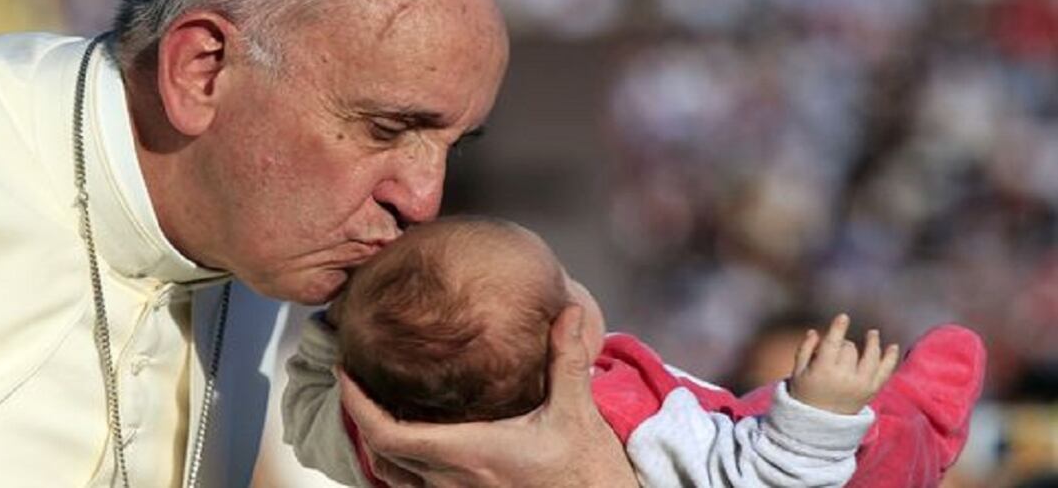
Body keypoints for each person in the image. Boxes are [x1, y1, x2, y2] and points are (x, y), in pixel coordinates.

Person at [0, 0, 635, 487]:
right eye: (386, 128)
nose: (423, 201)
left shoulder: (259, 231)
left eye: (450, 145)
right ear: (202, 70)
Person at [284, 216, 987, 488]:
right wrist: (818, 414)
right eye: (564, 279)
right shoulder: (624, 423)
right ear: (572, 335)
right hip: (813, 463)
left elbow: (306, 409)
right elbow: (760, 480)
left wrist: (342, 331)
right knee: (892, 430)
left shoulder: (378, 444)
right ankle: (931, 409)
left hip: (738, 422)